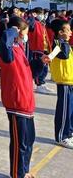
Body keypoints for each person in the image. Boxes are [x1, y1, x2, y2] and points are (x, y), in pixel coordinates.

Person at [0, 16, 36, 178]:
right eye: (23, 33)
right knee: (19, 143)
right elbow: (4, 47)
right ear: (16, 32)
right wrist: (12, 31)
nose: (25, 37)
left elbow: (27, 71)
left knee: (29, 141)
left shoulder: (19, 47)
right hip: (16, 102)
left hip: (27, 102)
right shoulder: (7, 50)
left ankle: (24, 171)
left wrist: (41, 62)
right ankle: (17, 174)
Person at [45, 19, 73, 148]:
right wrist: (64, 41)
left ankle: (69, 132)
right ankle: (62, 136)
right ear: (60, 32)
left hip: (70, 81)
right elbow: (64, 55)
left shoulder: (64, 43)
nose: (71, 33)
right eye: (68, 30)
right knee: (64, 110)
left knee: (70, 110)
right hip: (64, 82)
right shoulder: (59, 44)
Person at [27, 7, 54, 94]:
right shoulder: (33, 22)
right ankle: (38, 84)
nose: (42, 15)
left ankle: (42, 83)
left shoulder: (42, 24)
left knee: (45, 67)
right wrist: (31, 17)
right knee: (39, 67)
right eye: (40, 13)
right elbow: (29, 26)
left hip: (44, 48)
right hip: (37, 48)